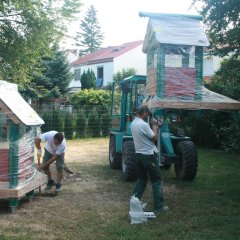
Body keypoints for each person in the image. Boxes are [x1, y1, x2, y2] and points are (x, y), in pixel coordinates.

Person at [131, 105, 169, 213]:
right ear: (143, 113)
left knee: (141, 179)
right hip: (148, 155)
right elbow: (155, 137)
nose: (148, 115)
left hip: (138, 154)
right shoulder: (143, 124)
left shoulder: (134, 123)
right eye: (147, 113)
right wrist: (155, 127)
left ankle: (134, 202)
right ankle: (159, 206)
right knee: (156, 179)